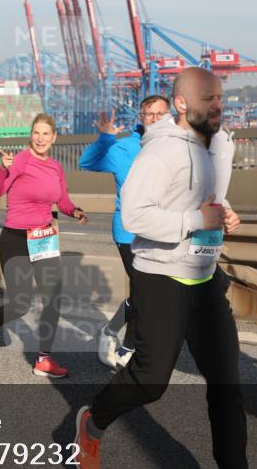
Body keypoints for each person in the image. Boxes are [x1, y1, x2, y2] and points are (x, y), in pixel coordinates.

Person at [71, 67, 257, 469]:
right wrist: (196, 221)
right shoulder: (160, 152)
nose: (218, 105)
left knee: (226, 382)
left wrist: (225, 213)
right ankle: (94, 420)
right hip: (161, 277)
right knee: (151, 381)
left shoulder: (220, 144)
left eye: (220, 97)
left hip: (204, 277)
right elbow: (137, 217)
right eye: (208, 99)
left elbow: (209, 198)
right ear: (182, 104)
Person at [80, 96, 236, 369]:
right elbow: (87, 163)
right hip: (130, 233)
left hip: (169, 232)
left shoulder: (180, 146)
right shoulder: (125, 148)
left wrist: (226, 210)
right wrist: (105, 137)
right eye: (149, 114)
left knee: (209, 283)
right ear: (140, 118)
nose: (154, 119)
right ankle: (127, 348)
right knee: (148, 295)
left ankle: (118, 336)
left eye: (160, 113)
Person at [0, 113, 88, 378]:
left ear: (54, 137)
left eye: (46, 133)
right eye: (36, 133)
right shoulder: (20, 160)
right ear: (31, 135)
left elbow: (62, 199)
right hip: (15, 239)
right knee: (21, 303)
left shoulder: (55, 167)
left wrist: (74, 211)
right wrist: (3, 168)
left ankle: (43, 359)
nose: (40, 138)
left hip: (43, 239)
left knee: (53, 298)